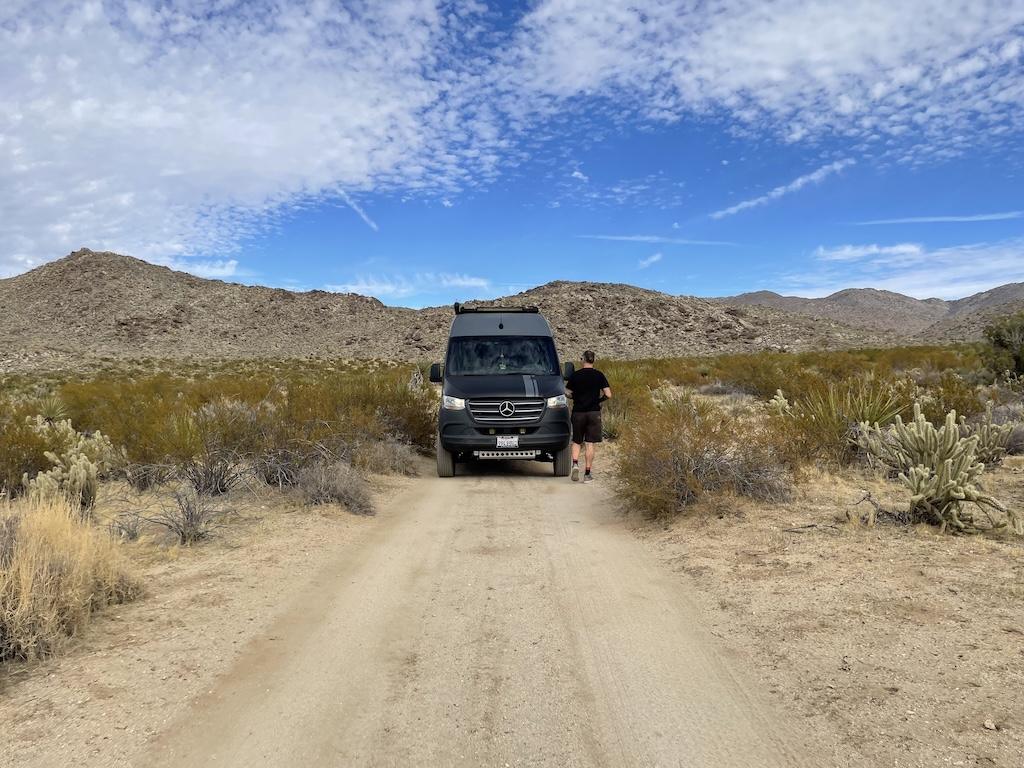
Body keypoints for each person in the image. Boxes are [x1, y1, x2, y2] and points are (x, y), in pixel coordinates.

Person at [565, 350, 611, 483]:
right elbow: (608, 394)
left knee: (577, 441)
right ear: (593, 360)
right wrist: (598, 401)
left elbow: (567, 392)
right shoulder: (599, 375)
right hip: (593, 413)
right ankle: (587, 474)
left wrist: (574, 397)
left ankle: (574, 464)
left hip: (578, 412)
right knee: (590, 443)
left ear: (583, 359)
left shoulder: (575, 375)